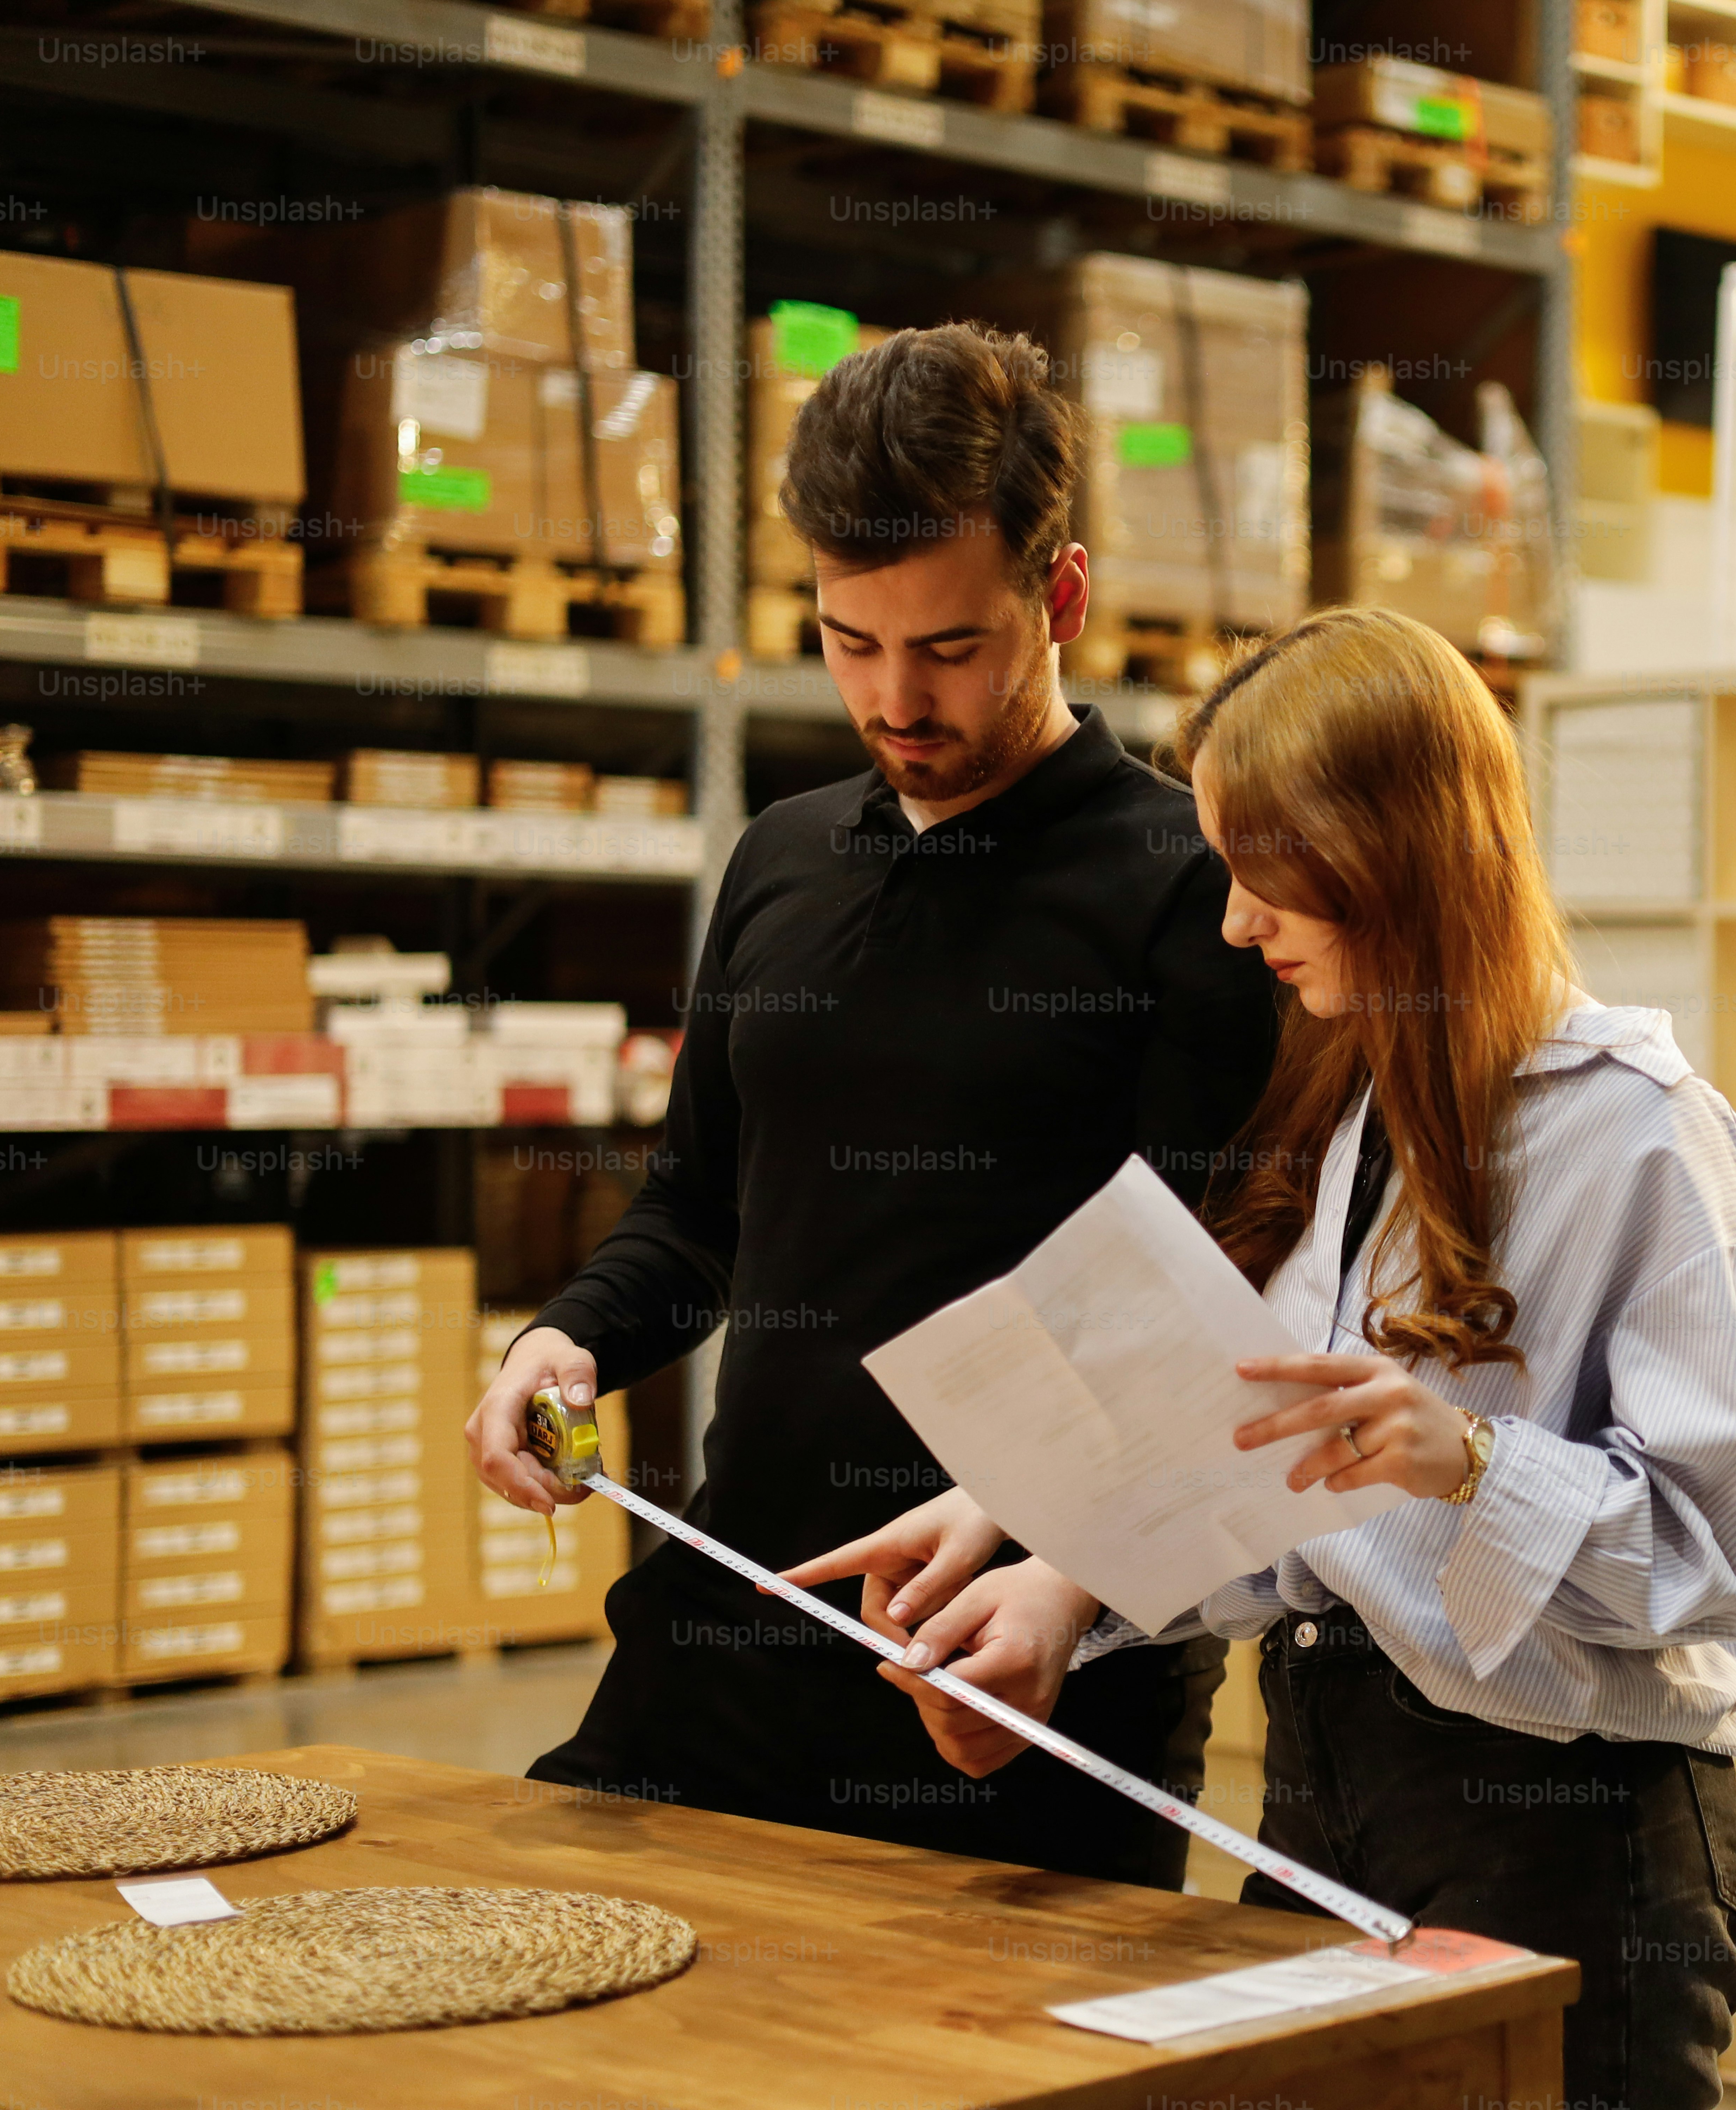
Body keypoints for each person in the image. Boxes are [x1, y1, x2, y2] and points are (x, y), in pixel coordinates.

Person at [790, 606, 1736, 2108]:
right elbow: (1295, 1502)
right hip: (1326, 1801)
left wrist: (1469, 1462)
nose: (1235, 925)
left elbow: (1722, 1558)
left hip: (1569, 1842)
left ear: (1393, 856)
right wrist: (1050, 1570)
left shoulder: (1645, 1137)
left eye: (1268, 878)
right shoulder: (1351, 1115)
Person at [462, 323, 1280, 1885]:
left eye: (949, 649)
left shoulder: (1193, 893)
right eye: (851, 642)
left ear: (1063, 598)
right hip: (727, 1619)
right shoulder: (780, 859)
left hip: (1015, 1668)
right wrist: (565, 1337)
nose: (897, 699)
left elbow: (1222, 1310)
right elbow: (701, 1209)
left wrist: (1066, 1587)